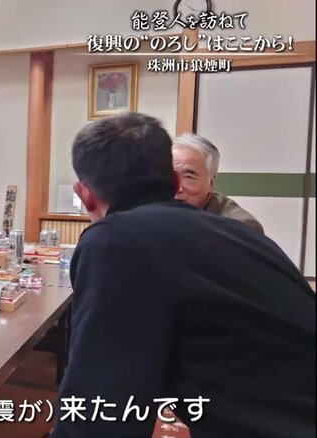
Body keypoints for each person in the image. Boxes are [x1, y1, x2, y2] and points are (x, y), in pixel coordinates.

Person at [52, 113, 315, 437]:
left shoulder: (116, 241)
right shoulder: (241, 235)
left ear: (85, 194)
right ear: (176, 183)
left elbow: (102, 407)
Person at [173, 133, 264, 234]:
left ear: (211, 183)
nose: (177, 188)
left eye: (189, 177)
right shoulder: (163, 215)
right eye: (170, 175)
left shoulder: (240, 227)